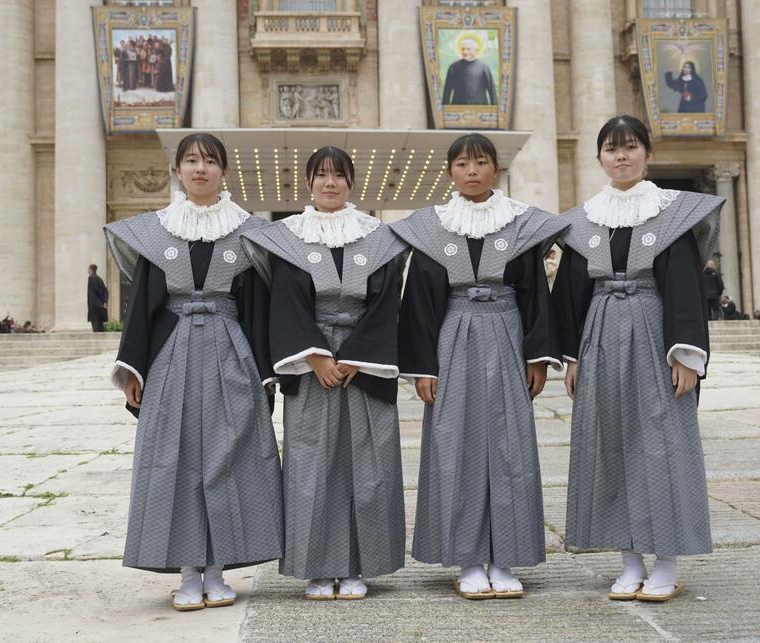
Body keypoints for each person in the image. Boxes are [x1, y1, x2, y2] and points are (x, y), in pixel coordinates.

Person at [103, 133, 283, 612]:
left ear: (224, 171)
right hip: (170, 355)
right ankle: (186, 571)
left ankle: (220, 569)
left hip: (231, 351)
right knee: (176, 459)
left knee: (232, 456)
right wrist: (133, 368)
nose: (200, 168)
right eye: (190, 160)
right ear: (177, 171)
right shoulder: (158, 231)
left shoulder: (247, 232)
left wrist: (265, 374)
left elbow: (257, 309)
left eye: (209, 161)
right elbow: (142, 306)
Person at [552, 115, 724, 603]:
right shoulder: (584, 220)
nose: (621, 156)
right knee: (610, 444)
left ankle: (666, 560)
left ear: (648, 154)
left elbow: (686, 287)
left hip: (655, 334)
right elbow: (569, 292)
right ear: (600, 158)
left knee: (663, 444)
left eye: (630, 147)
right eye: (611, 148)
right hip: (600, 335)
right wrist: (573, 356)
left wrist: (687, 354)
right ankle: (628, 560)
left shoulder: (670, 213)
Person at [391, 133, 568, 600]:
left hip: (507, 334)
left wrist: (538, 357)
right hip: (453, 337)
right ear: (450, 171)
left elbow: (535, 294)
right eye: (463, 163)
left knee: (510, 447)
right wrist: (422, 366)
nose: (472, 171)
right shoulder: (433, 228)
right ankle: (468, 558)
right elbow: (420, 301)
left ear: (496, 168)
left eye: (482, 162)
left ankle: (505, 557)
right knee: (457, 446)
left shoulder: (521, 225)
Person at [240, 147, 406, 601]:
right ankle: (317, 567)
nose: (330, 183)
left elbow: (388, 300)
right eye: (321, 175)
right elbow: (283, 304)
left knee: (368, 464)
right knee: (311, 463)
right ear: (307, 183)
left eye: (339, 175)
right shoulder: (286, 238)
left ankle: (358, 566)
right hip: (310, 366)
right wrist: (314, 357)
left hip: (363, 368)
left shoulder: (380, 237)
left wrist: (356, 356)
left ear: (352, 182)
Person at [442, 34, 497, 105]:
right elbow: (447, 91)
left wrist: (495, 110)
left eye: (468, 49)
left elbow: (492, 90)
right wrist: (445, 110)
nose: (465, 52)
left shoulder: (484, 67)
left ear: (476, 50)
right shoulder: (453, 67)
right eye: (463, 49)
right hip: (459, 109)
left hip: (479, 109)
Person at [87, 264, 109, 332]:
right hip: (99, 305)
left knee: (96, 326)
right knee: (100, 325)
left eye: (88, 269)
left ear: (91, 269)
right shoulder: (99, 278)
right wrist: (104, 301)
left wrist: (102, 301)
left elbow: (96, 290)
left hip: (94, 304)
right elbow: (105, 290)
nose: (87, 270)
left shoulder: (91, 278)